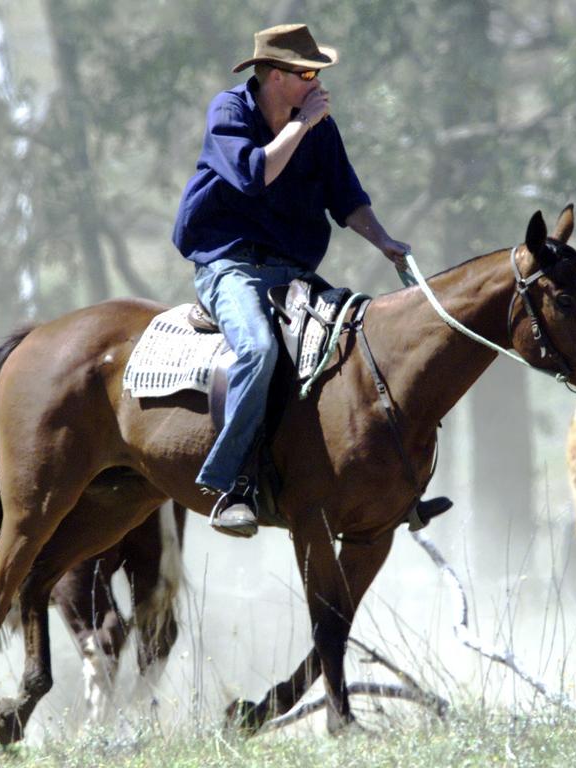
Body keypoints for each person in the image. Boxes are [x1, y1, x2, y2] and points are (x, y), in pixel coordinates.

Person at [173, 23, 451, 538]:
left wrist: (384, 240)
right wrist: (300, 125)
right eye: (306, 73)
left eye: (317, 72)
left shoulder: (318, 125)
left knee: (360, 344)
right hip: (229, 264)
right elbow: (254, 175)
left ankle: (395, 488)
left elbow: (346, 198)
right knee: (258, 350)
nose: (317, 83)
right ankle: (232, 484)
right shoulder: (231, 112)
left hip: (293, 272)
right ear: (274, 76)